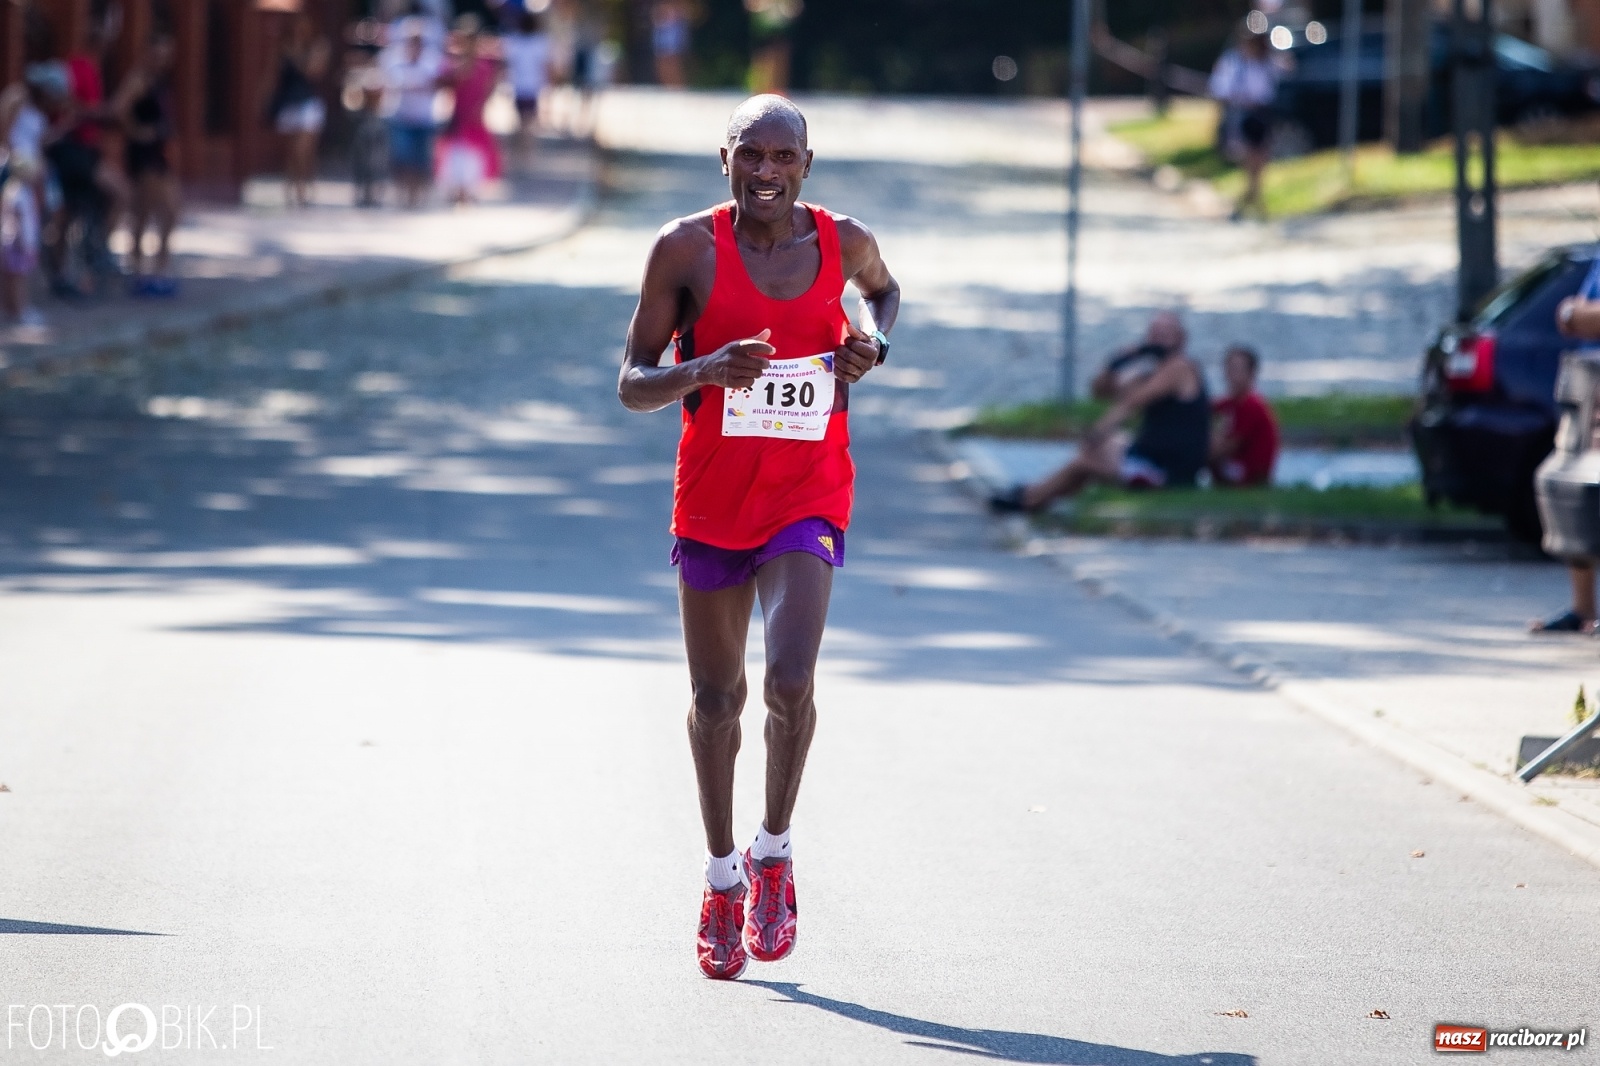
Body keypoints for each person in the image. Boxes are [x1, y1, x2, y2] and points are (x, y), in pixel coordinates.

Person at [617, 95, 900, 980]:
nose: (767, 172)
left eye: (784, 157)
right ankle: (720, 876)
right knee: (715, 701)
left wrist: (871, 344)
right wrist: (703, 368)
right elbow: (632, 380)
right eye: (751, 155)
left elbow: (884, 295)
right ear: (725, 159)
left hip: (808, 492)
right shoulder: (685, 250)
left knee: (789, 680)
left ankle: (773, 853)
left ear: (807, 165)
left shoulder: (844, 241)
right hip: (712, 499)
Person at [991, 311, 1210, 513]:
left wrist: (1096, 433)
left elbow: (1131, 403)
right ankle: (1039, 494)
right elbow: (1100, 391)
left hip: (1167, 471)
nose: (1157, 339)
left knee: (1087, 460)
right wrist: (1117, 361)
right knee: (1105, 445)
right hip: (1152, 457)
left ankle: (1031, 499)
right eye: (1154, 333)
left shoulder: (1179, 367)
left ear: (1181, 338)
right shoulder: (1153, 370)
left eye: (1165, 334)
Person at [1531, 260, 1600, 634]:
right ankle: (1583, 608)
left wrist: (1578, 314)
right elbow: (1567, 317)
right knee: (1574, 490)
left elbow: (1578, 315)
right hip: (1586, 382)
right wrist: (1576, 315)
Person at [113, 37, 180, 295]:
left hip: (159, 153)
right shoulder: (138, 79)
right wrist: (137, 131)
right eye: (158, 55)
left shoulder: (159, 81)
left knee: (169, 211)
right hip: (144, 155)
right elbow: (120, 108)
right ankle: (140, 271)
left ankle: (158, 268)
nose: (163, 60)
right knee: (146, 210)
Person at [1209, 23, 1278, 222]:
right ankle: (1256, 205)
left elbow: (1275, 85)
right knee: (1250, 162)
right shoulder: (1233, 62)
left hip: (1262, 115)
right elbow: (1219, 89)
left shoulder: (1266, 63)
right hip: (1242, 115)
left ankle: (1247, 204)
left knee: (1260, 162)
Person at [434, 16, 501, 205]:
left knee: (472, 157)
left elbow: (488, 88)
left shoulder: (483, 66)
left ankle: (467, 192)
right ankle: (457, 191)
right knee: (455, 156)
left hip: (474, 120)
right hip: (457, 118)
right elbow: (445, 83)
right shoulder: (453, 64)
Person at [267, 13, 331, 208]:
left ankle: (304, 187)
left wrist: (297, 54)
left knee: (304, 150)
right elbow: (272, 75)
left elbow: (314, 72)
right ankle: (291, 187)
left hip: (308, 102)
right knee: (291, 151)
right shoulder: (282, 46)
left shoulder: (318, 46)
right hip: (288, 102)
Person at [381, 21, 440, 209]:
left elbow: (435, 85)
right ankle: (403, 194)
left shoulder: (432, 62)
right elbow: (389, 84)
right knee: (402, 159)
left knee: (421, 161)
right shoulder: (394, 61)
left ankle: (417, 195)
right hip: (402, 118)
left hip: (423, 119)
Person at [1210, 344, 1280, 487]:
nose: (1231, 374)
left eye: (1238, 369)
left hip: (1249, 474)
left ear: (1251, 373)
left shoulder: (1252, 405)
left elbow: (1231, 445)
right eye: (1229, 368)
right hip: (1230, 469)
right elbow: (1216, 431)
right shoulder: (1223, 405)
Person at [502, 10, 551, 169]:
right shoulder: (539, 43)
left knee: (520, 122)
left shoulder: (514, 42)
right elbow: (544, 66)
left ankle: (519, 154)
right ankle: (527, 154)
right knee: (528, 123)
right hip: (532, 87)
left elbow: (509, 66)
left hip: (519, 86)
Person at [653, 1, 690, 89]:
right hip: (662, 34)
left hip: (673, 35)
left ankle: (678, 88)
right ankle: (668, 88)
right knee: (661, 62)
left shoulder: (678, 9)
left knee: (674, 61)